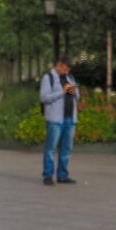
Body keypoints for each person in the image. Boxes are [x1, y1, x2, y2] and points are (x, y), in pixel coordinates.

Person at [39, 57, 80, 185]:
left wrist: (74, 92)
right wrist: (61, 92)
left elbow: (78, 97)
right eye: (65, 69)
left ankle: (62, 175)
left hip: (70, 119)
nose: (67, 72)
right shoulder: (48, 77)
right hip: (55, 119)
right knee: (51, 149)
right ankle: (48, 176)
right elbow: (44, 97)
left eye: (68, 70)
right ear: (58, 65)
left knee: (66, 149)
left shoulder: (70, 78)